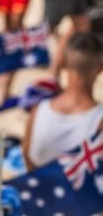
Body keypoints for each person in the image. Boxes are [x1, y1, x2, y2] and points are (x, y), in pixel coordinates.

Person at [22, 31, 103, 170]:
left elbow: (28, 160)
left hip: (43, 189)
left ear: (64, 64)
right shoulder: (99, 121)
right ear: (100, 68)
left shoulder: (38, 111)